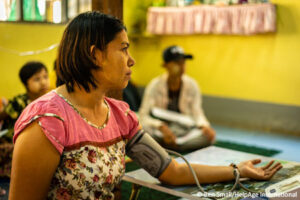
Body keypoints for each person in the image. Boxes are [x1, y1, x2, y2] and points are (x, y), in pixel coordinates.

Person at [9, 11, 282, 200]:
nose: (132, 60)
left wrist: (237, 170)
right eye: (124, 48)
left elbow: (170, 171)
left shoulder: (118, 115)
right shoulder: (47, 120)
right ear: (96, 55)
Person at [139, 45, 216, 151]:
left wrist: (204, 126)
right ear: (165, 65)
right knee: (140, 129)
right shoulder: (154, 85)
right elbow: (144, 115)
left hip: (183, 129)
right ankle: (173, 145)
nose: (181, 66)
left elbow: (197, 112)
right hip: (160, 129)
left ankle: (167, 145)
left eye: (183, 62)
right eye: (176, 63)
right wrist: (161, 126)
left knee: (207, 136)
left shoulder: (192, 85)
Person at [0, 61, 49, 179]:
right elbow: (2, 116)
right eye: (37, 79)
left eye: (45, 77)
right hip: (15, 141)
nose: (43, 82)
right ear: (26, 84)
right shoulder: (19, 102)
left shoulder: (50, 101)